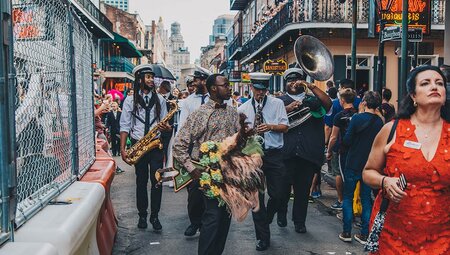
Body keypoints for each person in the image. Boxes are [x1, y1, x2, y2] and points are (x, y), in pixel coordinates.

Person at [363, 65, 450, 254]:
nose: (434, 87)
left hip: (442, 235)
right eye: (426, 83)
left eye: (440, 83)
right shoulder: (392, 129)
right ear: (413, 96)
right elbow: (368, 172)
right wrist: (385, 181)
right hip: (394, 235)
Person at [172, 74, 239, 255]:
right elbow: (178, 146)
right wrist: (192, 170)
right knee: (213, 218)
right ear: (213, 89)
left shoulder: (233, 112)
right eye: (224, 85)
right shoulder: (199, 114)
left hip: (228, 175)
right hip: (206, 175)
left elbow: (238, 141)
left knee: (225, 218)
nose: (229, 87)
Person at [276, 68, 332, 233]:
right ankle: (281, 213)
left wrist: (311, 86)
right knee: (282, 190)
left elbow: (328, 104)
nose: (293, 82)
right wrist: (289, 109)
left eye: (297, 79)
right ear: (285, 83)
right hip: (285, 153)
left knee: (302, 191)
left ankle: (299, 222)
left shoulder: (314, 99)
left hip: (307, 154)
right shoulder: (279, 102)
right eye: (290, 80)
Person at [238, 72, 289, 251]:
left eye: (263, 90)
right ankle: (263, 237)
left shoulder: (277, 103)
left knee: (279, 193)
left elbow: (285, 127)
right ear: (251, 88)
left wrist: (271, 127)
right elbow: (239, 135)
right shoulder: (243, 108)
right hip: (253, 156)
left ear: (267, 89)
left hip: (274, 154)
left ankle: (267, 217)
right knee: (256, 198)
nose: (260, 93)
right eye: (257, 90)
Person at [119, 64, 171, 230]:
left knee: (156, 182)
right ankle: (142, 215)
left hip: (155, 146)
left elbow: (164, 122)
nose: (151, 80)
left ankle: (155, 217)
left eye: (152, 77)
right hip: (138, 143)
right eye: (148, 77)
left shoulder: (161, 100)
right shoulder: (129, 100)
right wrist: (123, 149)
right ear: (139, 79)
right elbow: (125, 125)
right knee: (141, 182)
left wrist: (167, 129)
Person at [339, 91, 383, 244]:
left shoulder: (357, 118)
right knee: (366, 199)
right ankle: (365, 233)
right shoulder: (379, 122)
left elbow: (347, 140)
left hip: (353, 162)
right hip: (369, 165)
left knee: (347, 197)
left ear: (364, 101)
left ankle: (346, 232)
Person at [178, 66, 211, 237]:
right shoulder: (189, 101)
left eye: (197, 80)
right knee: (193, 189)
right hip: (194, 150)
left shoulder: (218, 100)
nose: (194, 83)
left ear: (204, 81)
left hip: (214, 149)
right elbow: (183, 126)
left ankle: (208, 222)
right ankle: (194, 222)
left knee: (212, 187)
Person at [326, 88, 358, 211]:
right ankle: (353, 199)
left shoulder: (339, 116)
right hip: (355, 149)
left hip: (342, 149)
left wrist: (329, 150)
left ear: (342, 100)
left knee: (339, 173)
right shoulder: (358, 114)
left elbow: (334, 136)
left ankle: (341, 200)